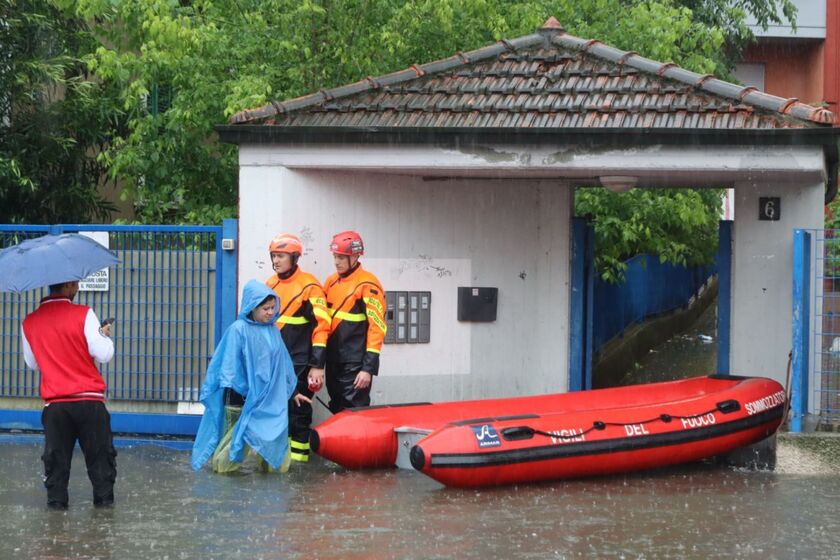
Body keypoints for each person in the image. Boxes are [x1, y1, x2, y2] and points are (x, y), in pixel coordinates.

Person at [191, 279, 309, 473]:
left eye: (272, 307)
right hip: (240, 400)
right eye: (265, 308)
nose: (271, 312)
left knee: (273, 439)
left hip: (268, 402)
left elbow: (282, 367)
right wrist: (247, 394)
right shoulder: (238, 330)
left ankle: (271, 478)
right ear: (252, 307)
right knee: (233, 442)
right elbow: (229, 369)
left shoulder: (273, 331)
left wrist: (293, 391)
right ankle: (223, 478)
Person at [20, 281, 116, 509]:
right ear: (70, 285)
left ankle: (56, 532)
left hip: (55, 408)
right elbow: (104, 354)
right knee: (102, 471)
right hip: (89, 404)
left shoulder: (29, 322)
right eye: (76, 284)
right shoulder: (84, 314)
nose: (78, 287)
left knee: (56, 473)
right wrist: (104, 336)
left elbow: (31, 363)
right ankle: (103, 530)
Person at [265, 233, 331, 464]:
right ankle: (279, 461)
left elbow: (322, 327)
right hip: (276, 363)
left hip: (301, 363)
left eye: (281, 256)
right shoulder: (270, 284)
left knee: (298, 413)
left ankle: (299, 466)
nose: (276, 260)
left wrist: (317, 366)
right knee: (276, 412)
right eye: (273, 256)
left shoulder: (310, 286)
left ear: (294, 257)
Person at [323, 231, 387, 413]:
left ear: (355, 256)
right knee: (336, 407)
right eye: (335, 256)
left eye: (342, 257)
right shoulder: (330, 282)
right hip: (333, 359)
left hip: (356, 363)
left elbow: (377, 328)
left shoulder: (368, 284)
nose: (337, 262)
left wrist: (368, 369)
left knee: (355, 412)